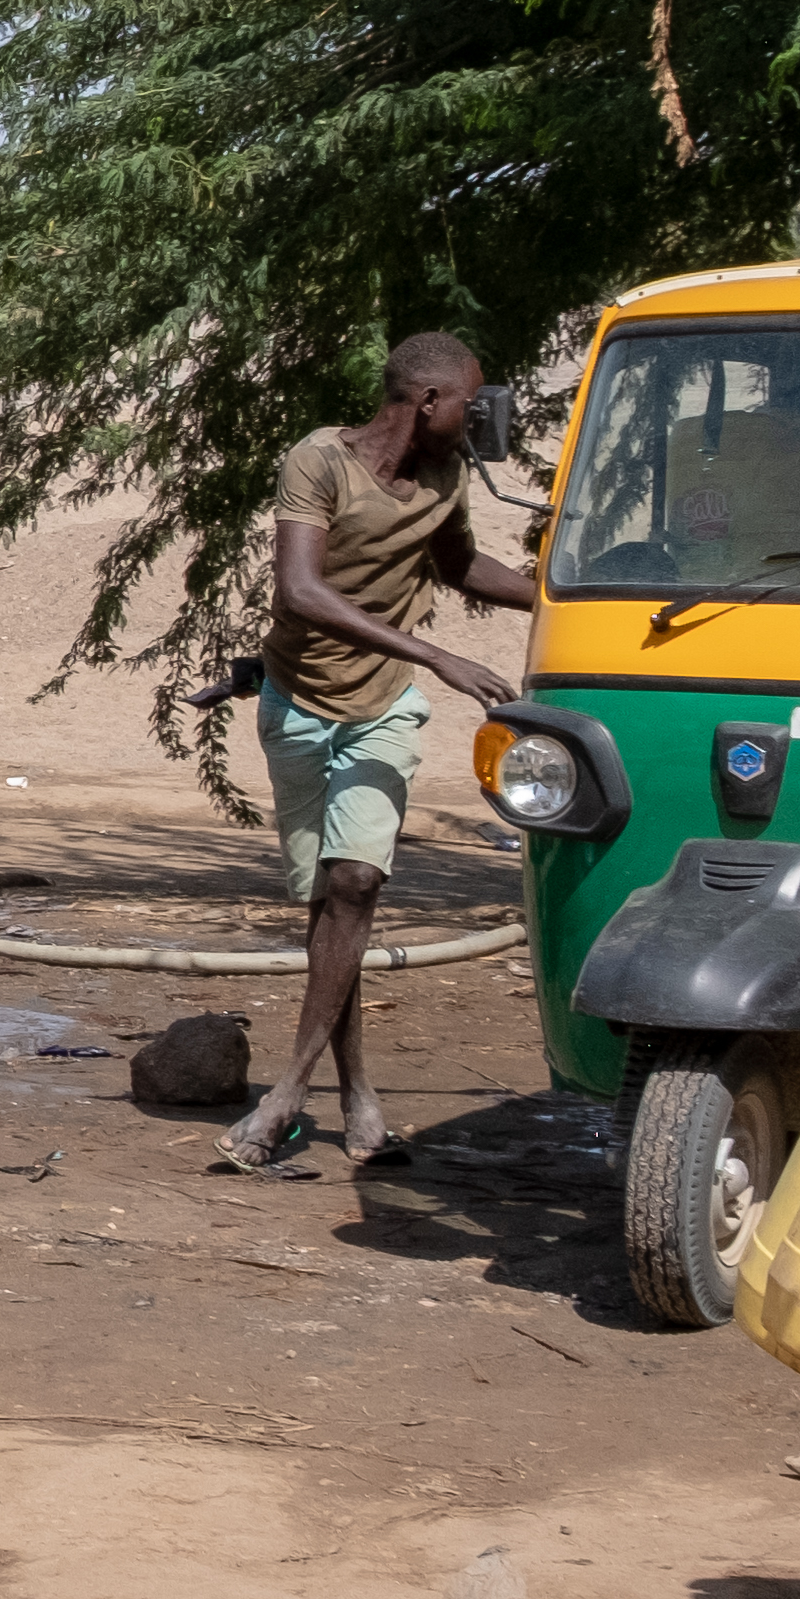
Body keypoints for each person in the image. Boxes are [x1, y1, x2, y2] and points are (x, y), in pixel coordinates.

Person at [219, 332, 537, 1178]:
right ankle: (357, 1088)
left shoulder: (444, 476)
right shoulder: (319, 462)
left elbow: (461, 564)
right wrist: (440, 654)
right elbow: (300, 590)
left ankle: (285, 1093)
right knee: (331, 907)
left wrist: (565, 594)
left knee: (356, 883)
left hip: (383, 706)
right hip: (297, 702)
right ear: (428, 402)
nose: (482, 414)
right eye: (471, 400)